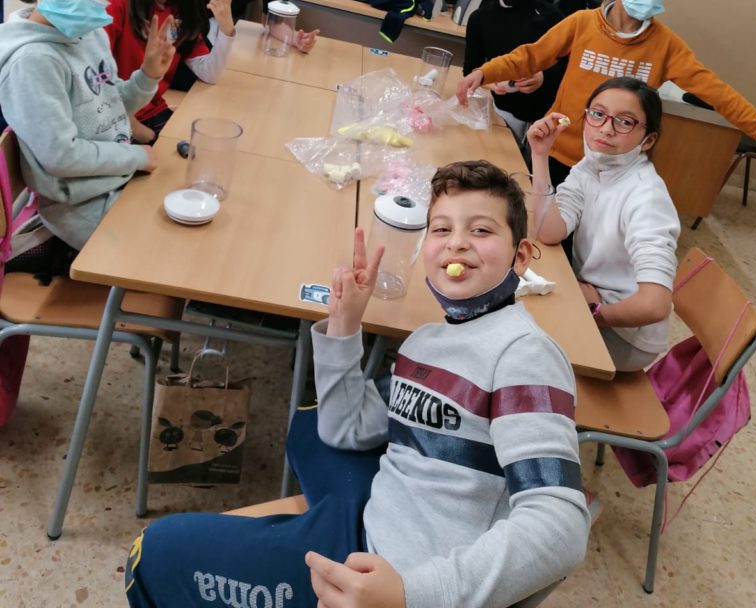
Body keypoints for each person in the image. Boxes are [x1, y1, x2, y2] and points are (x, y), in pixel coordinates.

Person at [124, 161, 589, 608]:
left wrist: (409, 596)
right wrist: (345, 324)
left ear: (520, 257)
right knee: (309, 426)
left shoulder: (524, 354)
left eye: (481, 230)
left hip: (390, 581)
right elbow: (345, 429)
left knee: (152, 555)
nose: (457, 243)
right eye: (441, 229)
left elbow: (560, 524)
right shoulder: (426, 341)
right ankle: (323, 520)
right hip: (379, 518)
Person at [457, 0, 756, 187]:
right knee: (542, 230)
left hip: (616, 167)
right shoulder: (581, 24)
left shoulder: (666, 46)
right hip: (560, 152)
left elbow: (719, 94)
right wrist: (484, 73)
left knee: (587, 242)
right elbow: (530, 56)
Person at [0, 0, 174, 250]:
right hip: (82, 206)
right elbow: (61, 156)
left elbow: (110, 105)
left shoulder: (90, 34)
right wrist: (135, 156)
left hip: (116, 177)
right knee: (171, 253)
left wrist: (148, 75)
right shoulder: (32, 61)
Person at [529, 78, 679, 372]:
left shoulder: (646, 197)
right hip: (590, 297)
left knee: (515, 331)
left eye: (624, 122)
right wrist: (540, 154)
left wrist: (593, 312)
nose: (606, 129)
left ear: (648, 140)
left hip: (623, 335)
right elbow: (549, 231)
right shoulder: (591, 166)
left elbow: (655, 305)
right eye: (598, 114)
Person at [107, 0, 236, 142]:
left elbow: (209, 73)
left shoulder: (181, 11)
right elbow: (94, 77)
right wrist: (138, 130)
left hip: (151, 112)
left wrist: (227, 32)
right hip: (111, 116)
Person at [463, 0, 565, 146]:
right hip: (503, 114)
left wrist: (543, 77)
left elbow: (568, 64)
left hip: (548, 118)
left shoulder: (551, 17)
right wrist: (488, 82)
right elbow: (470, 69)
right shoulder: (479, 19)